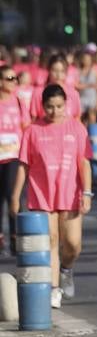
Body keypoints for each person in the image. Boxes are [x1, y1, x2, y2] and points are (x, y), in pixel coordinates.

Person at [11, 83, 92, 308]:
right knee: (52, 241)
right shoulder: (32, 131)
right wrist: (16, 196)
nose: (54, 111)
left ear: (66, 104)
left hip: (71, 192)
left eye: (59, 106)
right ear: (42, 106)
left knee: (73, 244)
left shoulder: (77, 129)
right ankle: (54, 289)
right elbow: (23, 165)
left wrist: (87, 191)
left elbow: (84, 162)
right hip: (42, 195)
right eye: (49, 107)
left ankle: (67, 269)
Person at [0, 65, 27, 255]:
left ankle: (15, 236)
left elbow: (26, 128)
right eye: (9, 78)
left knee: (13, 196)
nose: (14, 82)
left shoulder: (18, 102)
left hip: (13, 156)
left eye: (15, 78)